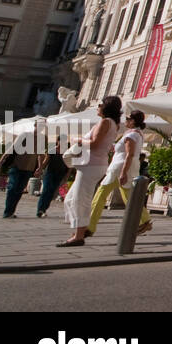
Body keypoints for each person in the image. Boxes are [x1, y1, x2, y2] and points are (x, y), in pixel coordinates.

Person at [58, 96, 120, 246]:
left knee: (80, 199)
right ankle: (79, 230)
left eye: (100, 104)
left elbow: (94, 144)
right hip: (93, 164)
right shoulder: (113, 124)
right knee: (71, 199)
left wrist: (78, 140)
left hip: (91, 165)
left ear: (106, 107)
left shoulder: (106, 122)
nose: (98, 106)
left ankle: (79, 235)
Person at [86, 110, 152, 240]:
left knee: (101, 195)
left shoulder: (131, 135)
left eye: (127, 118)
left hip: (120, 168)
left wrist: (123, 172)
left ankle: (89, 226)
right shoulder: (137, 134)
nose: (125, 120)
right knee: (128, 197)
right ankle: (145, 221)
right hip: (127, 168)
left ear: (133, 121)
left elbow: (130, 154)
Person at [0, 137, 40, 218]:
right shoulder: (24, 137)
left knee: (19, 190)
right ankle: (8, 212)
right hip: (16, 167)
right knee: (12, 187)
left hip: (28, 169)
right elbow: (9, 150)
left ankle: (11, 211)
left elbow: (41, 155)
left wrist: (40, 167)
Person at [36, 149, 69, 217]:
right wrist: (40, 168)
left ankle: (44, 209)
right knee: (46, 189)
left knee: (52, 192)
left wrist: (67, 176)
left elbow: (69, 165)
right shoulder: (52, 150)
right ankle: (40, 209)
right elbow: (45, 162)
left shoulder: (67, 151)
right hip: (49, 172)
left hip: (60, 173)